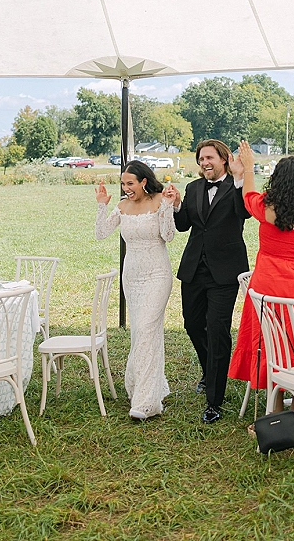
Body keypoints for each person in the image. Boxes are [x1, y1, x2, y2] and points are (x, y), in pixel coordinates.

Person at [228, 142, 294, 394]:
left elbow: (248, 196)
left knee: (268, 340)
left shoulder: (265, 206)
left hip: (268, 283)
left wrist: (248, 168)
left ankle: (272, 390)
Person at [172, 139, 250, 423]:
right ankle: (210, 369)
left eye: (209, 158)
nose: (204, 163)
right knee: (192, 324)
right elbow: (183, 226)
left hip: (225, 272)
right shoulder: (193, 188)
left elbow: (245, 212)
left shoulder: (237, 186)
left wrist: (241, 178)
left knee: (218, 331)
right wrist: (178, 205)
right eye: (201, 159)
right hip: (194, 269)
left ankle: (214, 401)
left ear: (224, 160)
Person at [95, 161, 176, 420]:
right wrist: (101, 205)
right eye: (123, 184)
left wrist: (167, 208)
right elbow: (100, 233)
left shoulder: (159, 201)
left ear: (143, 181)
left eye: (130, 183)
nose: (126, 188)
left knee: (146, 329)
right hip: (132, 276)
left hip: (157, 275)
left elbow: (168, 235)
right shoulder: (122, 206)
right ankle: (146, 385)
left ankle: (146, 402)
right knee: (141, 332)